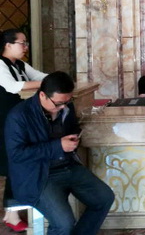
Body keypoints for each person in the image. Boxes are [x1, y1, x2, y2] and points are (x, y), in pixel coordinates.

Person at [5, 71, 115, 235]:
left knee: (104, 198)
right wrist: (58, 146)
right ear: (42, 95)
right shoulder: (19, 115)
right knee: (64, 224)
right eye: (58, 103)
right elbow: (17, 154)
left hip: (68, 166)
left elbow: (72, 127)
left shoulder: (66, 106)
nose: (63, 107)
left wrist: (74, 137)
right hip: (39, 176)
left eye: (67, 102)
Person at [0, 28, 47, 232]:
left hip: (19, 121)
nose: (25, 47)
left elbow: (40, 76)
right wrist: (47, 83)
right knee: (14, 164)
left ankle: (15, 211)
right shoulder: (0, 65)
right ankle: (11, 213)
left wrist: (54, 79)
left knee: (20, 163)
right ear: (8, 45)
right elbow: (13, 86)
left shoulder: (19, 64)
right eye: (22, 43)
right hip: (4, 122)